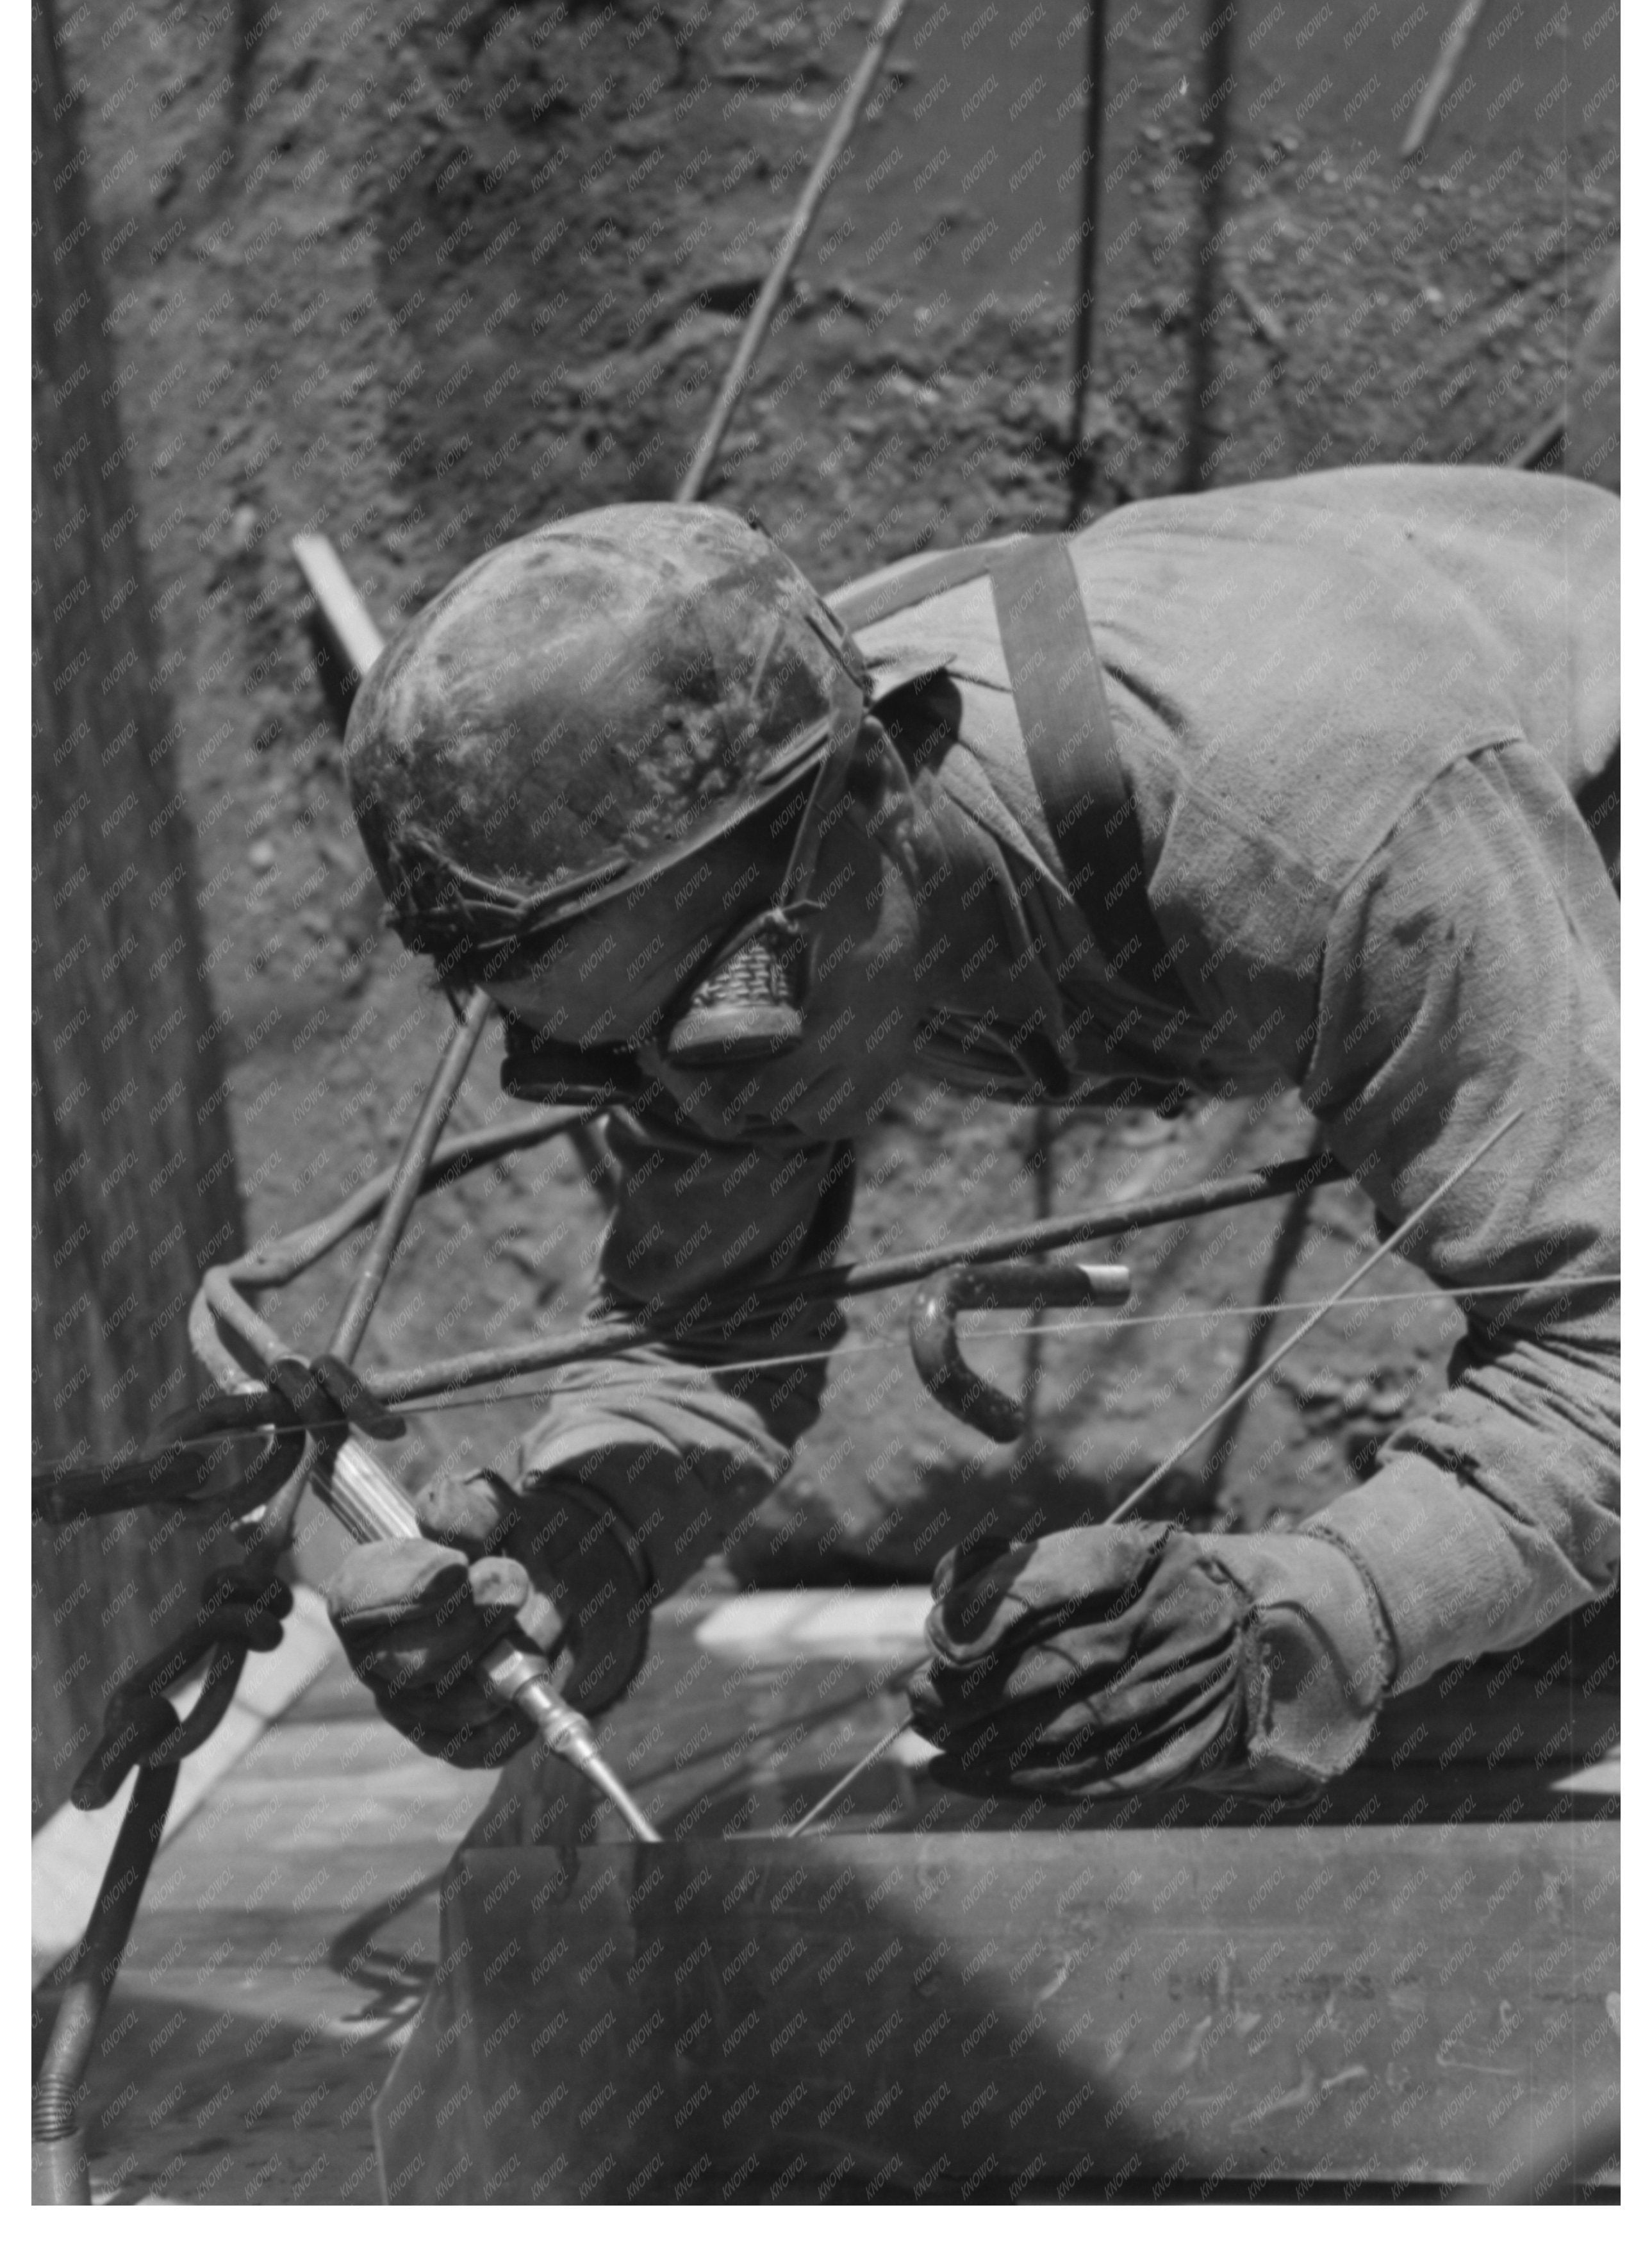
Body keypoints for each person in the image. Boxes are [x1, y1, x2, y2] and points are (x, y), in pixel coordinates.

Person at [328, 467, 1619, 1801]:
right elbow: (706, 1328)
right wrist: (585, 1536)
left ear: (881, 791)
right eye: (588, 1060)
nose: (696, 1108)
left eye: (723, 1013)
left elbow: (1611, 1354)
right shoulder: (732, 901)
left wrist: (1312, 1609)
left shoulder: (1312, 813)